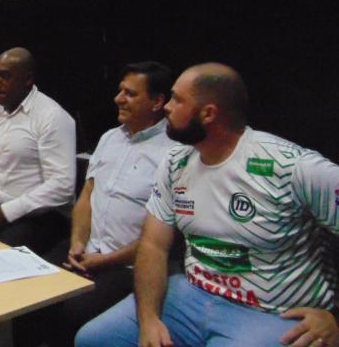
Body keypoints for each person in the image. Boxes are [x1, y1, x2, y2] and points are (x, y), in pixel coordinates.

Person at [76, 63, 339, 347]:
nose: (167, 107)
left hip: (271, 311)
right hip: (192, 294)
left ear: (209, 114)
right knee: (92, 339)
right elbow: (153, 245)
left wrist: (335, 317)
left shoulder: (293, 167)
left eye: (177, 100)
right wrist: (150, 318)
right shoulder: (176, 162)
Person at [35, 62, 174, 346]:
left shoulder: (174, 154)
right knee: (29, 294)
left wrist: (103, 261)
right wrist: (77, 243)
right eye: (119, 90)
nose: (118, 99)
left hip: (127, 266)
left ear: (157, 102)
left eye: (130, 93)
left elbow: (161, 236)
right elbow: (87, 195)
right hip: (86, 250)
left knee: (71, 312)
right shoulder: (110, 138)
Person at [0, 47, 76, 254]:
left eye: (5, 76)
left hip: (43, 218)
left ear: (27, 79)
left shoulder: (52, 117)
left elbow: (62, 186)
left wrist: (3, 213)